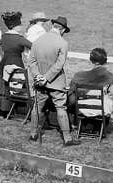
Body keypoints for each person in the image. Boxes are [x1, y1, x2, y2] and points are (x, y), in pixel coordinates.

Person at [26, 16, 78, 146]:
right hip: (55, 82)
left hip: (39, 81)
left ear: (53, 26)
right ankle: (67, 137)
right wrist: (47, 78)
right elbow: (59, 65)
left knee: (37, 107)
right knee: (61, 108)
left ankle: (33, 134)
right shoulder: (62, 43)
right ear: (62, 30)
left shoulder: (38, 40)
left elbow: (31, 61)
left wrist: (38, 76)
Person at [0, 11, 31, 116]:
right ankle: (17, 108)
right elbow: (33, 46)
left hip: (4, 62)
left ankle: (2, 108)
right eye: (19, 25)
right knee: (17, 83)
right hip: (16, 62)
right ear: (15, 26)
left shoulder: (4, 37)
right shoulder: (19, 39)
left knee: (4, 85)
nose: (21, 26)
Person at [68, 47, 113, 114]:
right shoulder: (111, 77)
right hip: (102, 111)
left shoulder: (78, 76)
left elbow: (70, 94)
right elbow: (111, 96)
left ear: (91, 59)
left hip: (81, 109)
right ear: (105, 60)